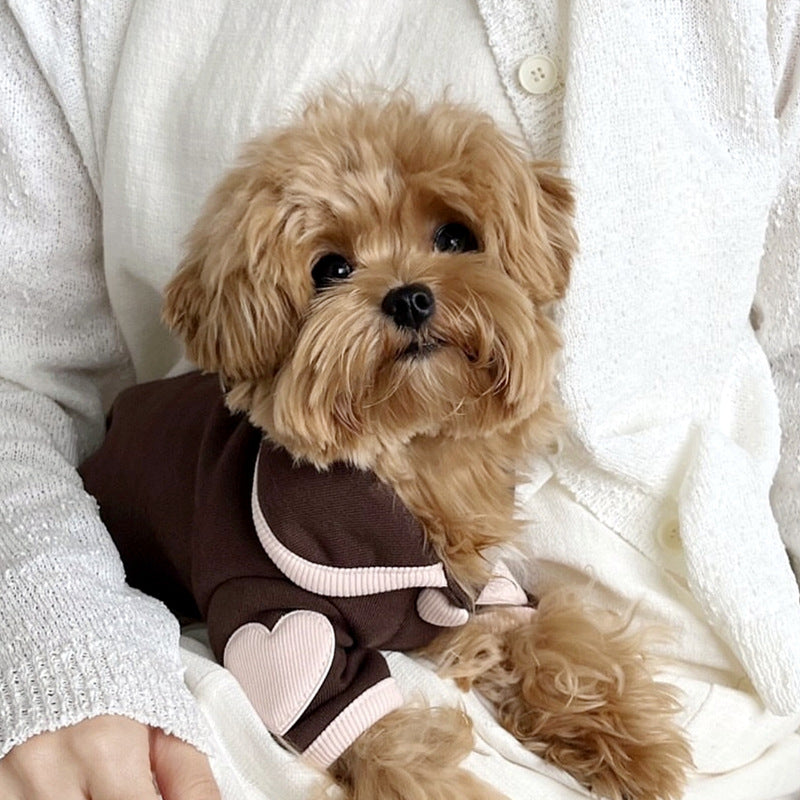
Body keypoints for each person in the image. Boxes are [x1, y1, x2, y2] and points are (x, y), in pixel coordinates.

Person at [1, 2, 798, 799]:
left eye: (451, 238)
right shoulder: (291, 533)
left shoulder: (476, 489)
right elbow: (288, 668)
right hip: (171, 663)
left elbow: (461, 589)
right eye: (332, 270)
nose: (410, 290)